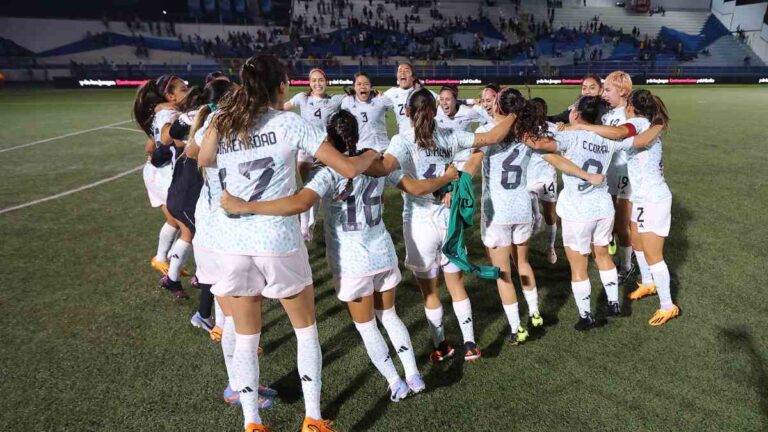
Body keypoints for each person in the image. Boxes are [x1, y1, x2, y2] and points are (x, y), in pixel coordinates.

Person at [220, 110, 458, 402]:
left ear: (329, 138)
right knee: (390, 316)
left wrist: (247, 206)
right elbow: (417, 188)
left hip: (351, 262)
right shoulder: (376, 162)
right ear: (357, 134)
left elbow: (299, 203)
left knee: (367, 325)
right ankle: (414, 375)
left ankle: (395, 381)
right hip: (382, 252)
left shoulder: (328, 171)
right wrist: (447, 177)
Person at [197, 54, 379, 432]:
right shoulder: (289, 123)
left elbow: (203, 158)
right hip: (277, 240)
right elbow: (345, 167)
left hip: (234, 242)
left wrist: (219, 117)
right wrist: (370, 156)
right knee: (305, 330)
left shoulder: (227, 125)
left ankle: (252, 422)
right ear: (280, 84)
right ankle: (312, 417)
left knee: (247, 339)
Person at [366, 88, 516, 363]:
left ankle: (442, 345)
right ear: (435, 110)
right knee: (456, 284)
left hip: (419, 221)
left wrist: (354, 160)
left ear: (407, 112)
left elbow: (387, 168)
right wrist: (515, 113)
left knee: (430, 290)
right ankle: (470, 344)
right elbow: (493, 136)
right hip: (448, 217)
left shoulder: (402, 140)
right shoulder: (450, 135)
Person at [470, 88, 604, 343]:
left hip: (497, 210)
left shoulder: (485, 133)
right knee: (522, 262)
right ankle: (534, 313)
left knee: (502, 272)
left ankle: (516, 328)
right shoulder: (527, 135)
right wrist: (587, 175)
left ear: (499, 106)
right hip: (522, 207)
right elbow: (556, 159)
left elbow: (473, 164)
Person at [525, 96, 662, 331]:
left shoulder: (570, 136)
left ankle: (586, 315)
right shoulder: (608, 139)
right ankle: (613, 302)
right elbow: (635, 140)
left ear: (577, 115)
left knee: (578, 266)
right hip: (603, 206)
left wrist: (520, 126)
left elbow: (538, 144)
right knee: (603, 255)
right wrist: (658, 124)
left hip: (578, 210)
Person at [567, 89, 678, 325]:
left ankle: (668, 305)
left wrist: (584, 127)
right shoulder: (647, 125)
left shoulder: (637, 122)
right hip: (643, 197)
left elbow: (619, 133)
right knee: (637, 241)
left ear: (630, 107)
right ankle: (648, 283)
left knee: (653, 255)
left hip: (653, 199)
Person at [133, 74, 191, 299]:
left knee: (173, 222)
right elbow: (167, 139)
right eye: (183, 89)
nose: (188, 92)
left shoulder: (162, 111)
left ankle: (161, 259)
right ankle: (172, 278)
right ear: (170, 95)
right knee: (189, 230)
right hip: (165, 177)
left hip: (155, 173)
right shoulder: (169, 113)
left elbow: (150, 146)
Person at [283, 68, 345, 240]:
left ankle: (309, 224)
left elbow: (356, 101)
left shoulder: (335, 101)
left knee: (318, 189)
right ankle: (306, 226)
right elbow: (282, 108)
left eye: (321, 80)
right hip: (304, 151)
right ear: (310, 83)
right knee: (308, 188)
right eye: (314, 80)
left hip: (324, 151)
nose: (318, 83)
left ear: (326, 81)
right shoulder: (302, 98)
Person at [601, 71, 635, 284]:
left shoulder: (630, 114)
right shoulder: (607, 115)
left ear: (622, 91)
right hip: (608, 172)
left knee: (623, 223)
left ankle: (627, 265)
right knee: (610, 219)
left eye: (607, 90)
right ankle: (623, 252)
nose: (603, 94)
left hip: (625, 173)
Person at [527, 97, 559, 263]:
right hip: (528, 176)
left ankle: (551, 246)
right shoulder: (524, 129)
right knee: (529, 213)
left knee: (550, 214)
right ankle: (535, 217)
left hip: (547, 178)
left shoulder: (554, 128)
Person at [340, 72, 393, 152]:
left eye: (366, 84)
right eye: (359, 84)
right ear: (354, 87)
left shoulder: (380, 99)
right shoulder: (348, 101)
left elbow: (399, 104)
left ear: (371, 87)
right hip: (362, 149)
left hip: (384, 148)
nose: (363, 87)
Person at [383, 63, 437, 134]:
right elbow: (375, 102)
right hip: (403, 138)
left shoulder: (422, 92)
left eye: (406, 71)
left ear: (413, 77)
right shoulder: (391, 93)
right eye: (400, 71)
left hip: (421, 136)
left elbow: (441, 99)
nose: (403, 73)